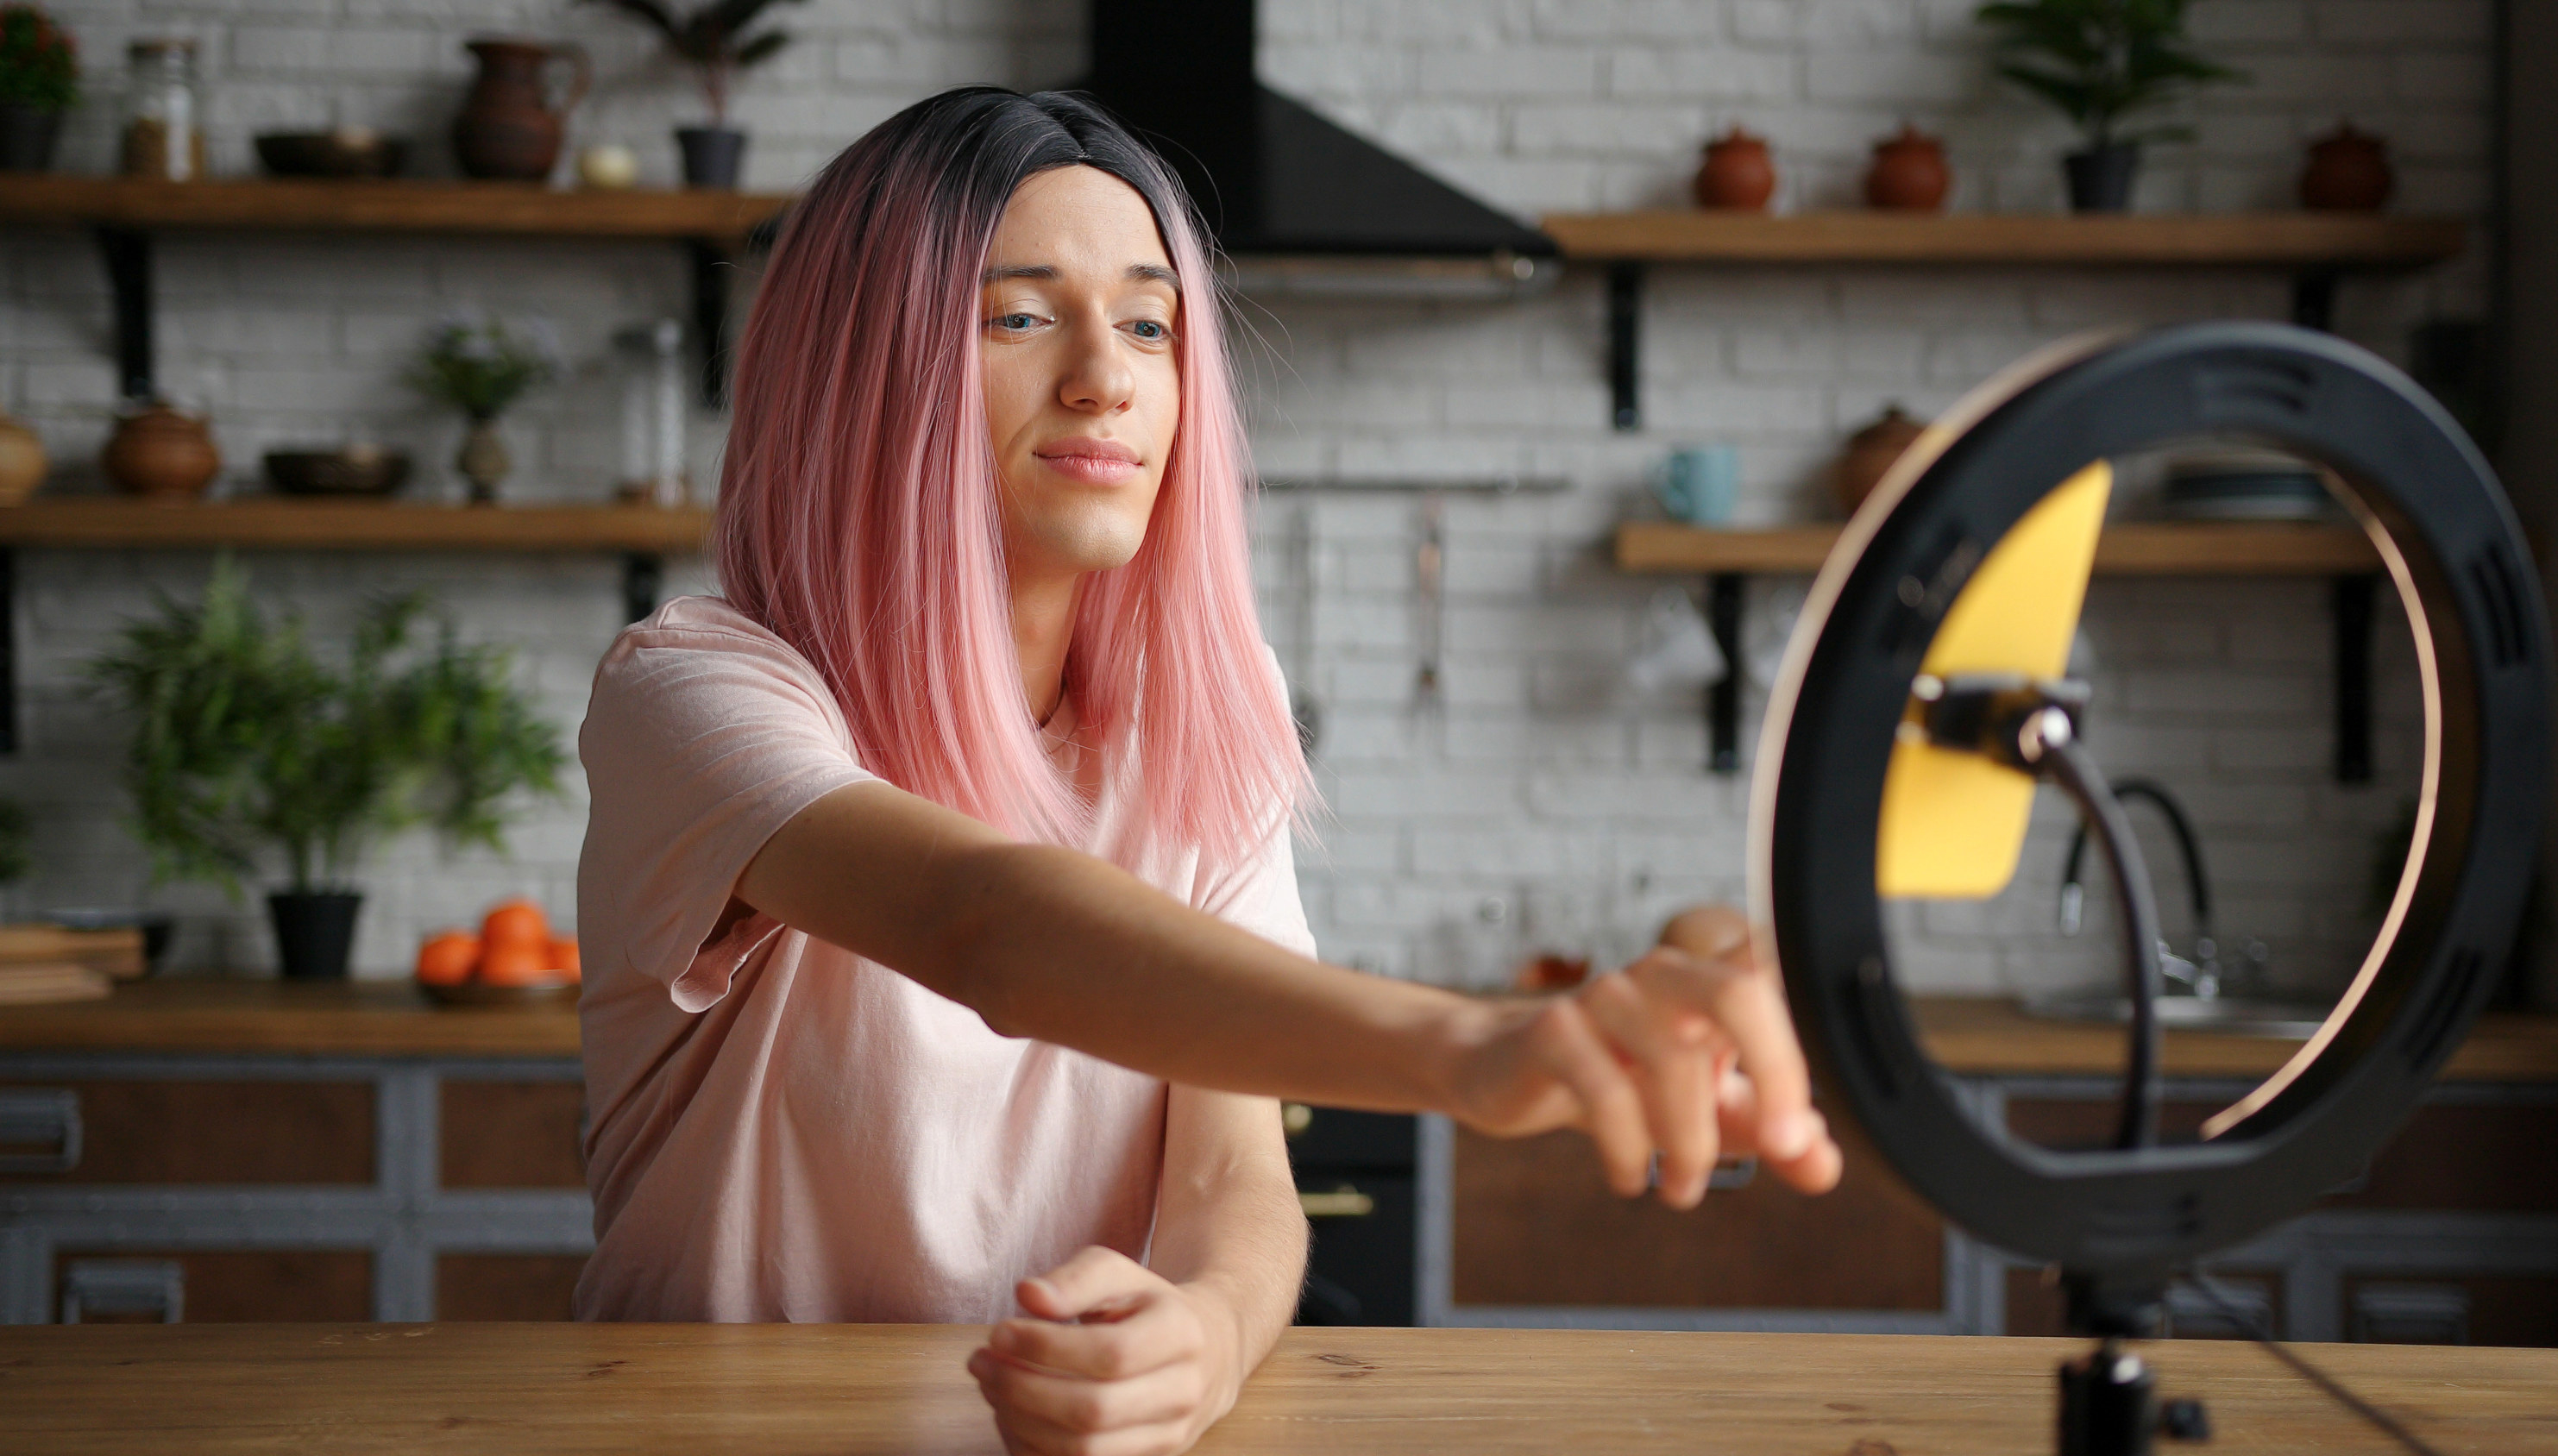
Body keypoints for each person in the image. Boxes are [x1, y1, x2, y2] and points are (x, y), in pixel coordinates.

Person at [574, 87, 1842, 1456]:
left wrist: (1209, 1336)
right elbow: (985, 927)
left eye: (1148, 322)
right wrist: (1473, 1049)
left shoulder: (1202, 733)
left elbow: (1235, 1173)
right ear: (861, 374)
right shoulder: (697, 688)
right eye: (1018, 315)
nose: (1106, 377)